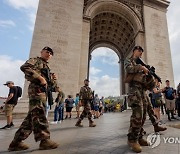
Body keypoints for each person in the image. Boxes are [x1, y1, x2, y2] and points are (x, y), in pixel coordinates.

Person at [8, 46, 59, 151]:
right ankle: (44, 140)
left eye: (51, 53)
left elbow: (50, 85)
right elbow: (25, 67)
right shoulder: (35, 60)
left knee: (31, 119)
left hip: (43, 92)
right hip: (36, 91)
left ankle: (16, 143)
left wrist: (53, 80)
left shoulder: (47, 67)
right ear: (41, 52)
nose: (49, 54)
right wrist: (39, 77)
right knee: (39, 113)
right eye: (47, 52)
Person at [124, 46, 156, 153]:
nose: (140, 53)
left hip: (142, 91)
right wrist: (141, 68)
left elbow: (147, 83)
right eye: (139, 51)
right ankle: (132, 140)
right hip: (134, 90)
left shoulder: (143, 65)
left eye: (141, 52)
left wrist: (150, 76)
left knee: (143, 115)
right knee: (137, 115)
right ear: (134, 51)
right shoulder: (129, 61)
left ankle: (140, 137)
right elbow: (129, 69)